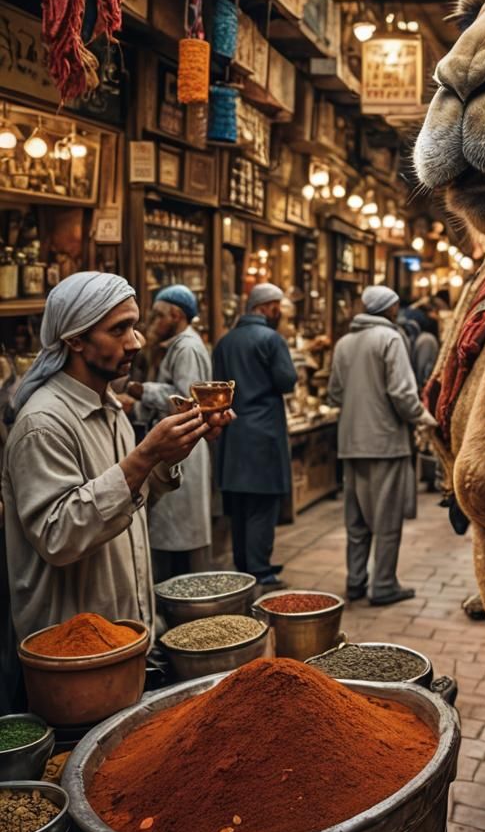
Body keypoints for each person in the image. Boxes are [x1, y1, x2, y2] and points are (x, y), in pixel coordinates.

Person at [1, 272, 231, 644]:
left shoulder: (110, 409)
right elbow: (59, 537)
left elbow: (129, 502)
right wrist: (146, 454)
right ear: (75, 339)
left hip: (124, 635)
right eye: (119, 329)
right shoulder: (43, 424)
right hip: (73, 649)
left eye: (134, 326)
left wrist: (167, 455)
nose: (136, 341)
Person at [328, 285, 436, 606]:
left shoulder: (344, 343)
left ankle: (355, 582)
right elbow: (402, 392)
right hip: (385, 441)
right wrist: (421, 416)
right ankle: (384, 584)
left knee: (356, 520)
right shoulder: (390, 338)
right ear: (389, 309)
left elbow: (335, 393)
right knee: (387, 520)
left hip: (350, 442)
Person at [122, 286, 213, 582]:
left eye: (158, 315)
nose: (153, 322)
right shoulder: (176, 346)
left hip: (184, 448)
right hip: (178, 446)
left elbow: (187, 400)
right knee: (173, 533)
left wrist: (139, 390)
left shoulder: (186, 347)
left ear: (176, 314)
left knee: (181, 541)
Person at [213, 282, 297, 589]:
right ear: (264, 307)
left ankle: (244, 565)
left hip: (233, 433)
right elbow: (287, 380)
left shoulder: (225, 342)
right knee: (263, 504)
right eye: (277, 307)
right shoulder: (271, 339)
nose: (279, 313)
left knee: (240, 506)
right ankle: (261, 570)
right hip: (263, 434)